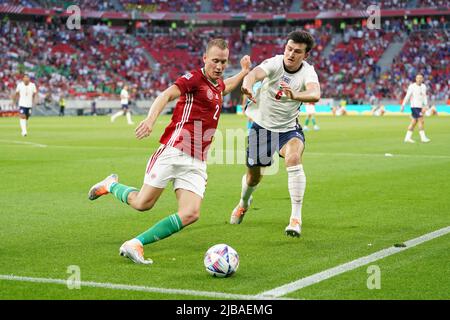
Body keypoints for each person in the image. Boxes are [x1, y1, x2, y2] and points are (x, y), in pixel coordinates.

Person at [88, 39, 251, 264]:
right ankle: (110, 185)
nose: (220, 66)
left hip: (197, 161)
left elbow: (228, 84)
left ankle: (135, 243)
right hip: (174, 150)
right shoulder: (194, 78)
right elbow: (166, 95)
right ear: (205, 59)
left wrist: (243, 71)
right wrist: (150, 120)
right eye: (215, 61)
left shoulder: (218, 85)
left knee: (191, 213)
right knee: (143, 204)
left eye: (223, 62)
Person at [230, 30, 320, 238]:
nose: (291, 54)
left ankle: (295, 219)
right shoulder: (275, 62)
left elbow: (315, 94)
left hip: (288, 129)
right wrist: (247, 84)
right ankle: (244, 202)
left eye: (297, 52)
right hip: (261, 128)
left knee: (294, 157)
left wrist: (295, 95)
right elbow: (254, 74)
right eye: (289, 49)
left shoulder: (308, 72)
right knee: (253, 178)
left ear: (305, 55)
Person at [400, 73, 431, 143]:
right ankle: (423, 138)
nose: (419, 79)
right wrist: (403, 105)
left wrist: (426, 105)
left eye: (421, 78)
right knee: (421, 120)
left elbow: (424, 96)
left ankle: (407, 138)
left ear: (422, 79)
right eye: (418, 78)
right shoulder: (412, 86)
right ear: (416, 79)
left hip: (420, 107)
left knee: (414, 122)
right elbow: (407, 96)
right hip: (414, 106)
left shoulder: (424, 86)